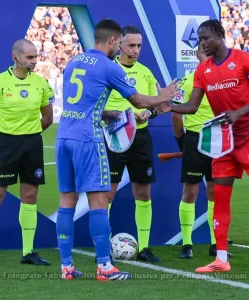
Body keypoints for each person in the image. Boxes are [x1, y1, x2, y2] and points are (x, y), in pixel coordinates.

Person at [55, 19, 178, 281]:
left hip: (63, 136)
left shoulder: (74, 62)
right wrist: (165, 96)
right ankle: (104, 267)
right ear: (113, 41)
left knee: (67, 201)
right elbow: (140, 100)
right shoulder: (109, 67)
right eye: (121, 43)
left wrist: (112, 114)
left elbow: (84, 105)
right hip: (88, 139)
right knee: (99, 201)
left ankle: (66, 267)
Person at [161, 19, 249, 273]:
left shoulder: (242, 59)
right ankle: (221, 258)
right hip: (224, 142)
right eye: (199, 39)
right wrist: (168, 106)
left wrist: (238, 112)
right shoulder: (203, 71)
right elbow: (192, 106)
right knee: (220, 197)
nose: (202, 43)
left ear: (220, 36)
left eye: (206, 38)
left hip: (246, 136)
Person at [0, 39, 54, 266]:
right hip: (5, 143)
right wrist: (0, 136)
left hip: (32, 144)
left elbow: (47, 117)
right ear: (15, 57)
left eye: (35, 56)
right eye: (29, 57)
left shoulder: (41, 84)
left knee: (29, 196)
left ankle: (28, 252)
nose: (34, 61)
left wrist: (31, 134)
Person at [104, 26, 161, 263]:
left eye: (139, 45)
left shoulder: (146, 73)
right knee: (107, 194)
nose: (136, 50)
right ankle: (104, 245)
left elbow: (154, 105)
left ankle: (145, 247)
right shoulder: (108, 70)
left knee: (143, 192)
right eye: (131, 45)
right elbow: (98, 108)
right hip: (114, 137)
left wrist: (148, 113)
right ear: (119, 44)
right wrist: (119, 114)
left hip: (140, 139)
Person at [172, 45, 233, 260]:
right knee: (190, 192)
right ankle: (186, 243)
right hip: (195, 140)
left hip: (219, 141)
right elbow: (176, 115)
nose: (207, 57)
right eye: (203, 53)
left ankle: (216, 243)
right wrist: (181, 140)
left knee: (215, 192)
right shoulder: (188, 80)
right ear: (197, 55)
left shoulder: (224, 81)